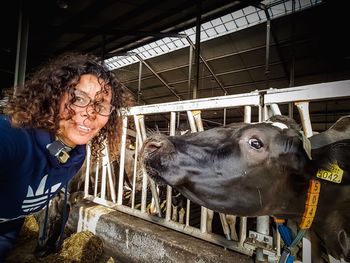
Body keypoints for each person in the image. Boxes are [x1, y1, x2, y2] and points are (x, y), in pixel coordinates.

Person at [0, 52, 133, 260]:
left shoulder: (76, 156)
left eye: (101, 105)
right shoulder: (13, 138)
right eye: (79, 98)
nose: (90, 112)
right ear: (53, 96)